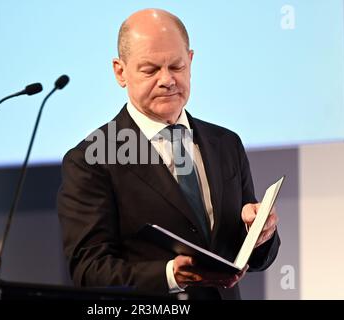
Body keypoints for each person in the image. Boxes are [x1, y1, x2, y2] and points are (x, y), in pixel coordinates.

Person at [57, 8, 280, 300]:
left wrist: (260, 234)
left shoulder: (226, 143)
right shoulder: (91, 159)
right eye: (150, 70)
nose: (167, 80)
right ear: (120, 71)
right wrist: (170, 275)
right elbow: (89, 272)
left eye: (176, 67)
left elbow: (253, 258)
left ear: (190, 61)